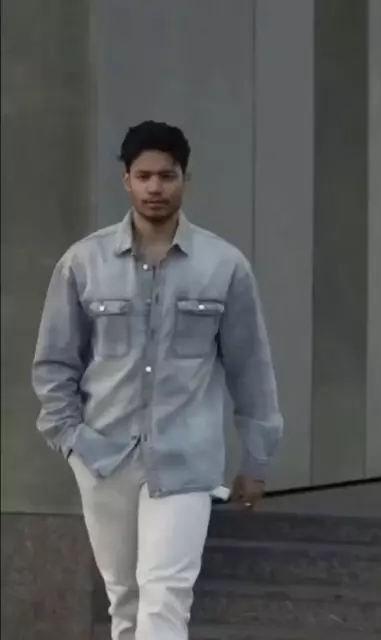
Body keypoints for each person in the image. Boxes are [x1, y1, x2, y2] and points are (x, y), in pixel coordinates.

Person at [32, 120, 283, 640]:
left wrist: (256, 459)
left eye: (167, 176)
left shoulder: (224, 266)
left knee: (165, 595)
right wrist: (71, 439)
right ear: (126, 179)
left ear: (185, 179)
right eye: (143, 176)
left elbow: (252, 369)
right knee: (124, 599)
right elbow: (55, 363)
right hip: (103, 456)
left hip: (186, 459)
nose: (155, 188)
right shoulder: (83, 262)